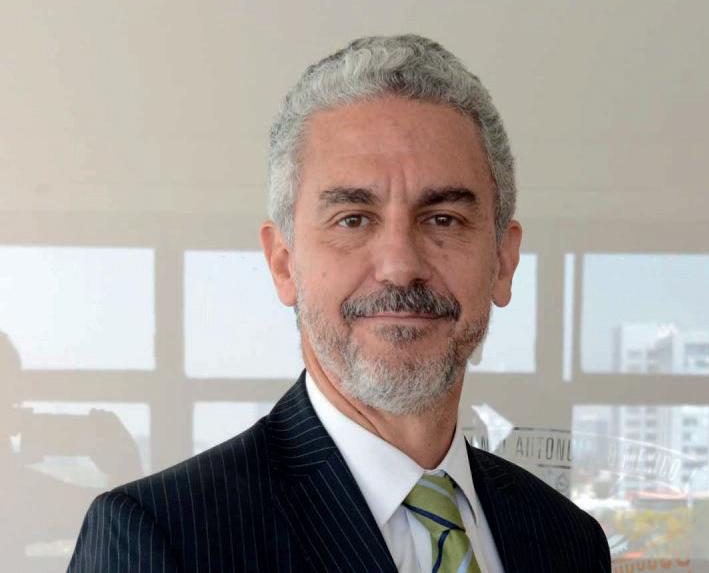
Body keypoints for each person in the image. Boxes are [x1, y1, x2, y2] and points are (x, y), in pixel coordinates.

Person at [68, 34, 611, 572]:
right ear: (284, 264)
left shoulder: (568, 540)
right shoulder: (162, 537)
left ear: (504, 261)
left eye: (443, 219)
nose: (400, 265)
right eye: (353, 219)